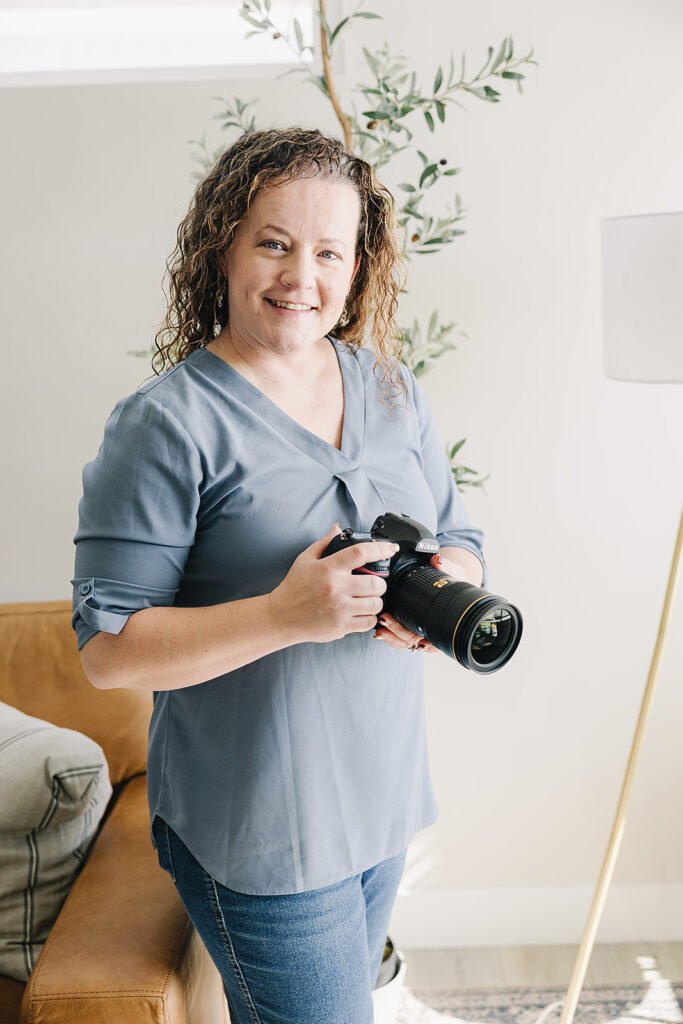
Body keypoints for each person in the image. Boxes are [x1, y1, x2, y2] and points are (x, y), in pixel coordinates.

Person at [71, 126, 487, 1024]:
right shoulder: (164, 424)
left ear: (358, 266)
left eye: (329, 251)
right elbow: (108, 653)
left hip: (379, 798)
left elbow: (460, 529)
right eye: (274, 243)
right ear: (222, 246)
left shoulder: (389, 390)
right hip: (261, 832)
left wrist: (452, 572)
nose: (303, 278)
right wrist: (285, 614)